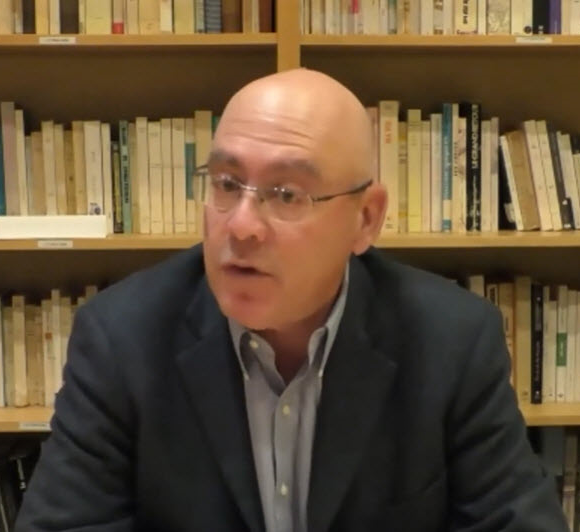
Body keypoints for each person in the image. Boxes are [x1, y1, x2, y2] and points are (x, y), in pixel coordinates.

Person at [16, 69, 567, 532]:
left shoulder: (451, 341)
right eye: (226, 183)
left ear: (366, 219)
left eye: (286, 195)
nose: (242, 226)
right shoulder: (121, 339)